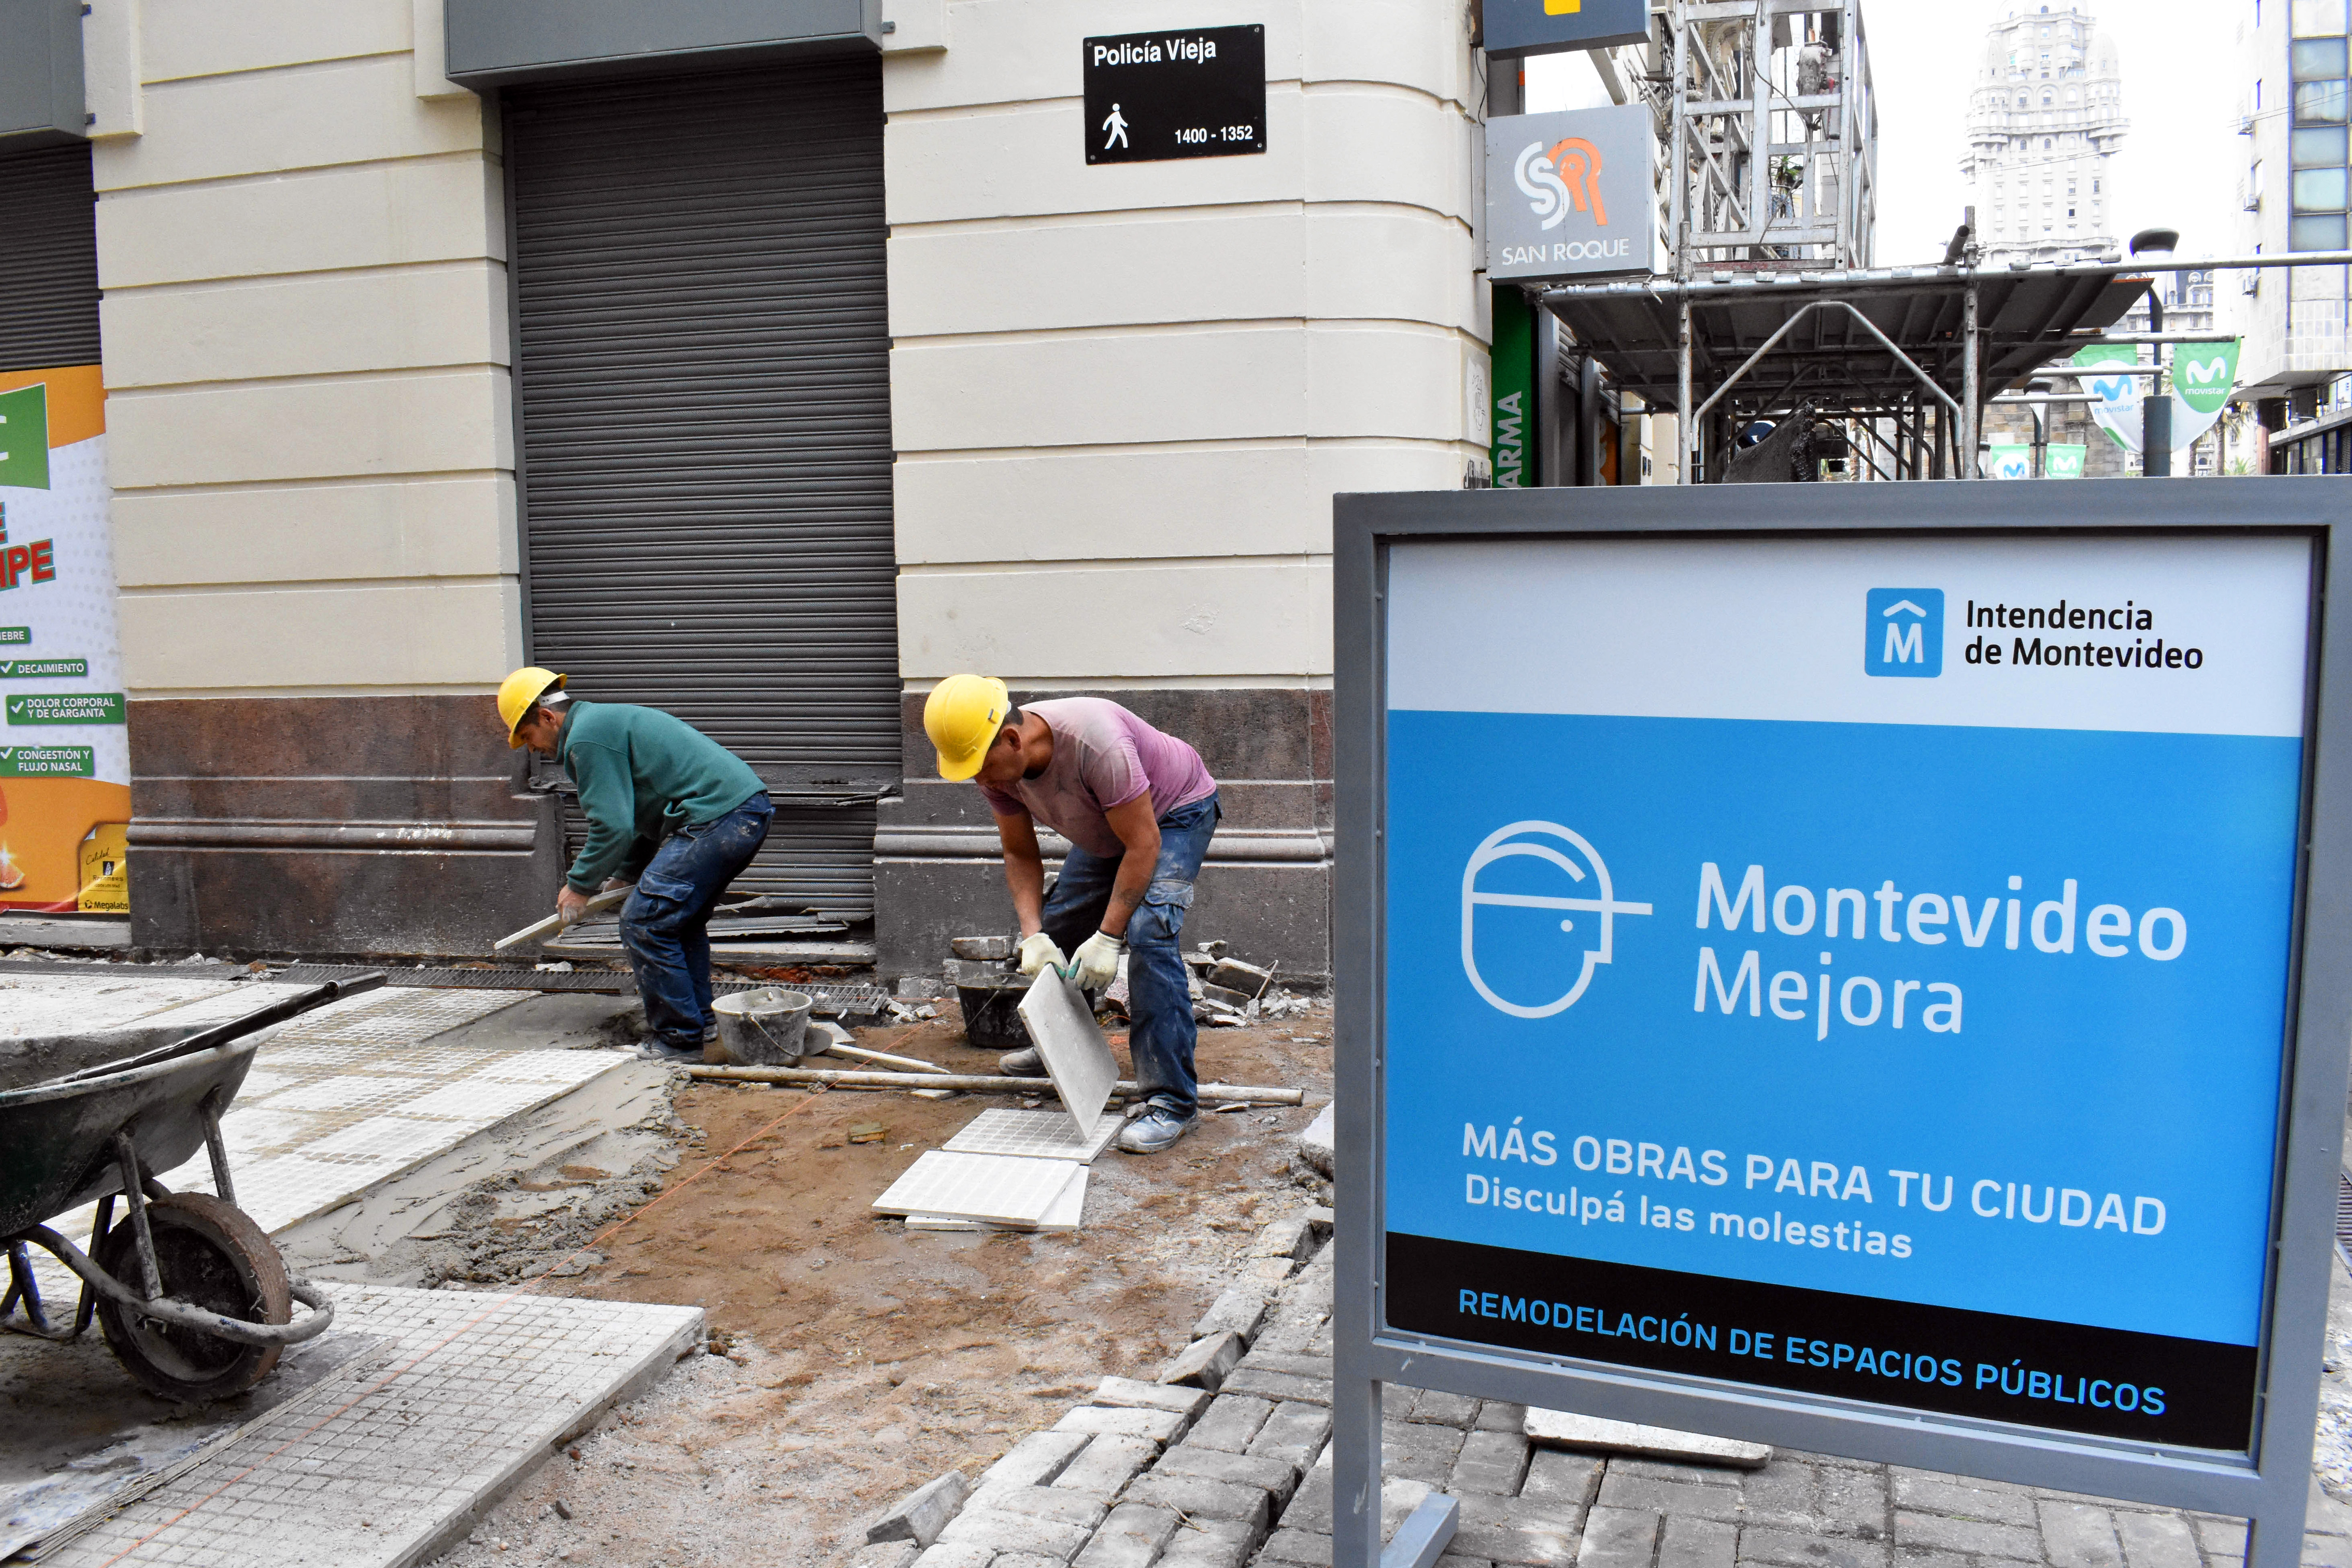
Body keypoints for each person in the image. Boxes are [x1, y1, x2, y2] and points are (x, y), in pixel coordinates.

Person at [923, 674, 1220, 1155]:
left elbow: (1143, 844)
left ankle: (1172, 1102)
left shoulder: (1097, 744)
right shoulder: (996, 764)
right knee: (1057, 929)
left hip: (1173, 813)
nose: (979, 780)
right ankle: (1061, 1052)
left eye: (981, 766)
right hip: (1109, 821)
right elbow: (1020, 853)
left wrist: (1108, 937)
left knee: (1148, 934)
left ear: (1013, 739)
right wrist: (1033, 935)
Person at [497, 667, 773, 1060]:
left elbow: (612, 824)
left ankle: (678, 1039)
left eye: (527, 737)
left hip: (718, 816)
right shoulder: (600, 725)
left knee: (643, 921)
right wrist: (624, 874)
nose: (532, 749)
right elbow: (645, 816)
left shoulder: (586, 739)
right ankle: (698, 1021)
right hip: (743, 811)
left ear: (546, 717)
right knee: (677, 921)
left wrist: (581, 885)